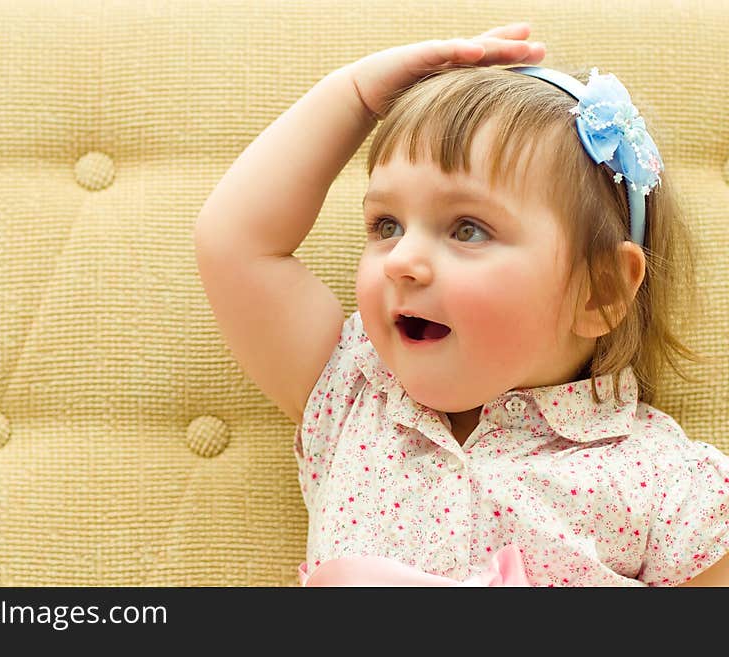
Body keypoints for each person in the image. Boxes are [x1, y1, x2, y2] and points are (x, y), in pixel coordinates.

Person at [194, 22, 729, 586]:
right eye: (387, 224)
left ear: (599, 290)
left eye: (467, 229)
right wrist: (354, 96)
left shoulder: (669, 485)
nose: (402, 259)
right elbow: (233, 243)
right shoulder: (351, 394)